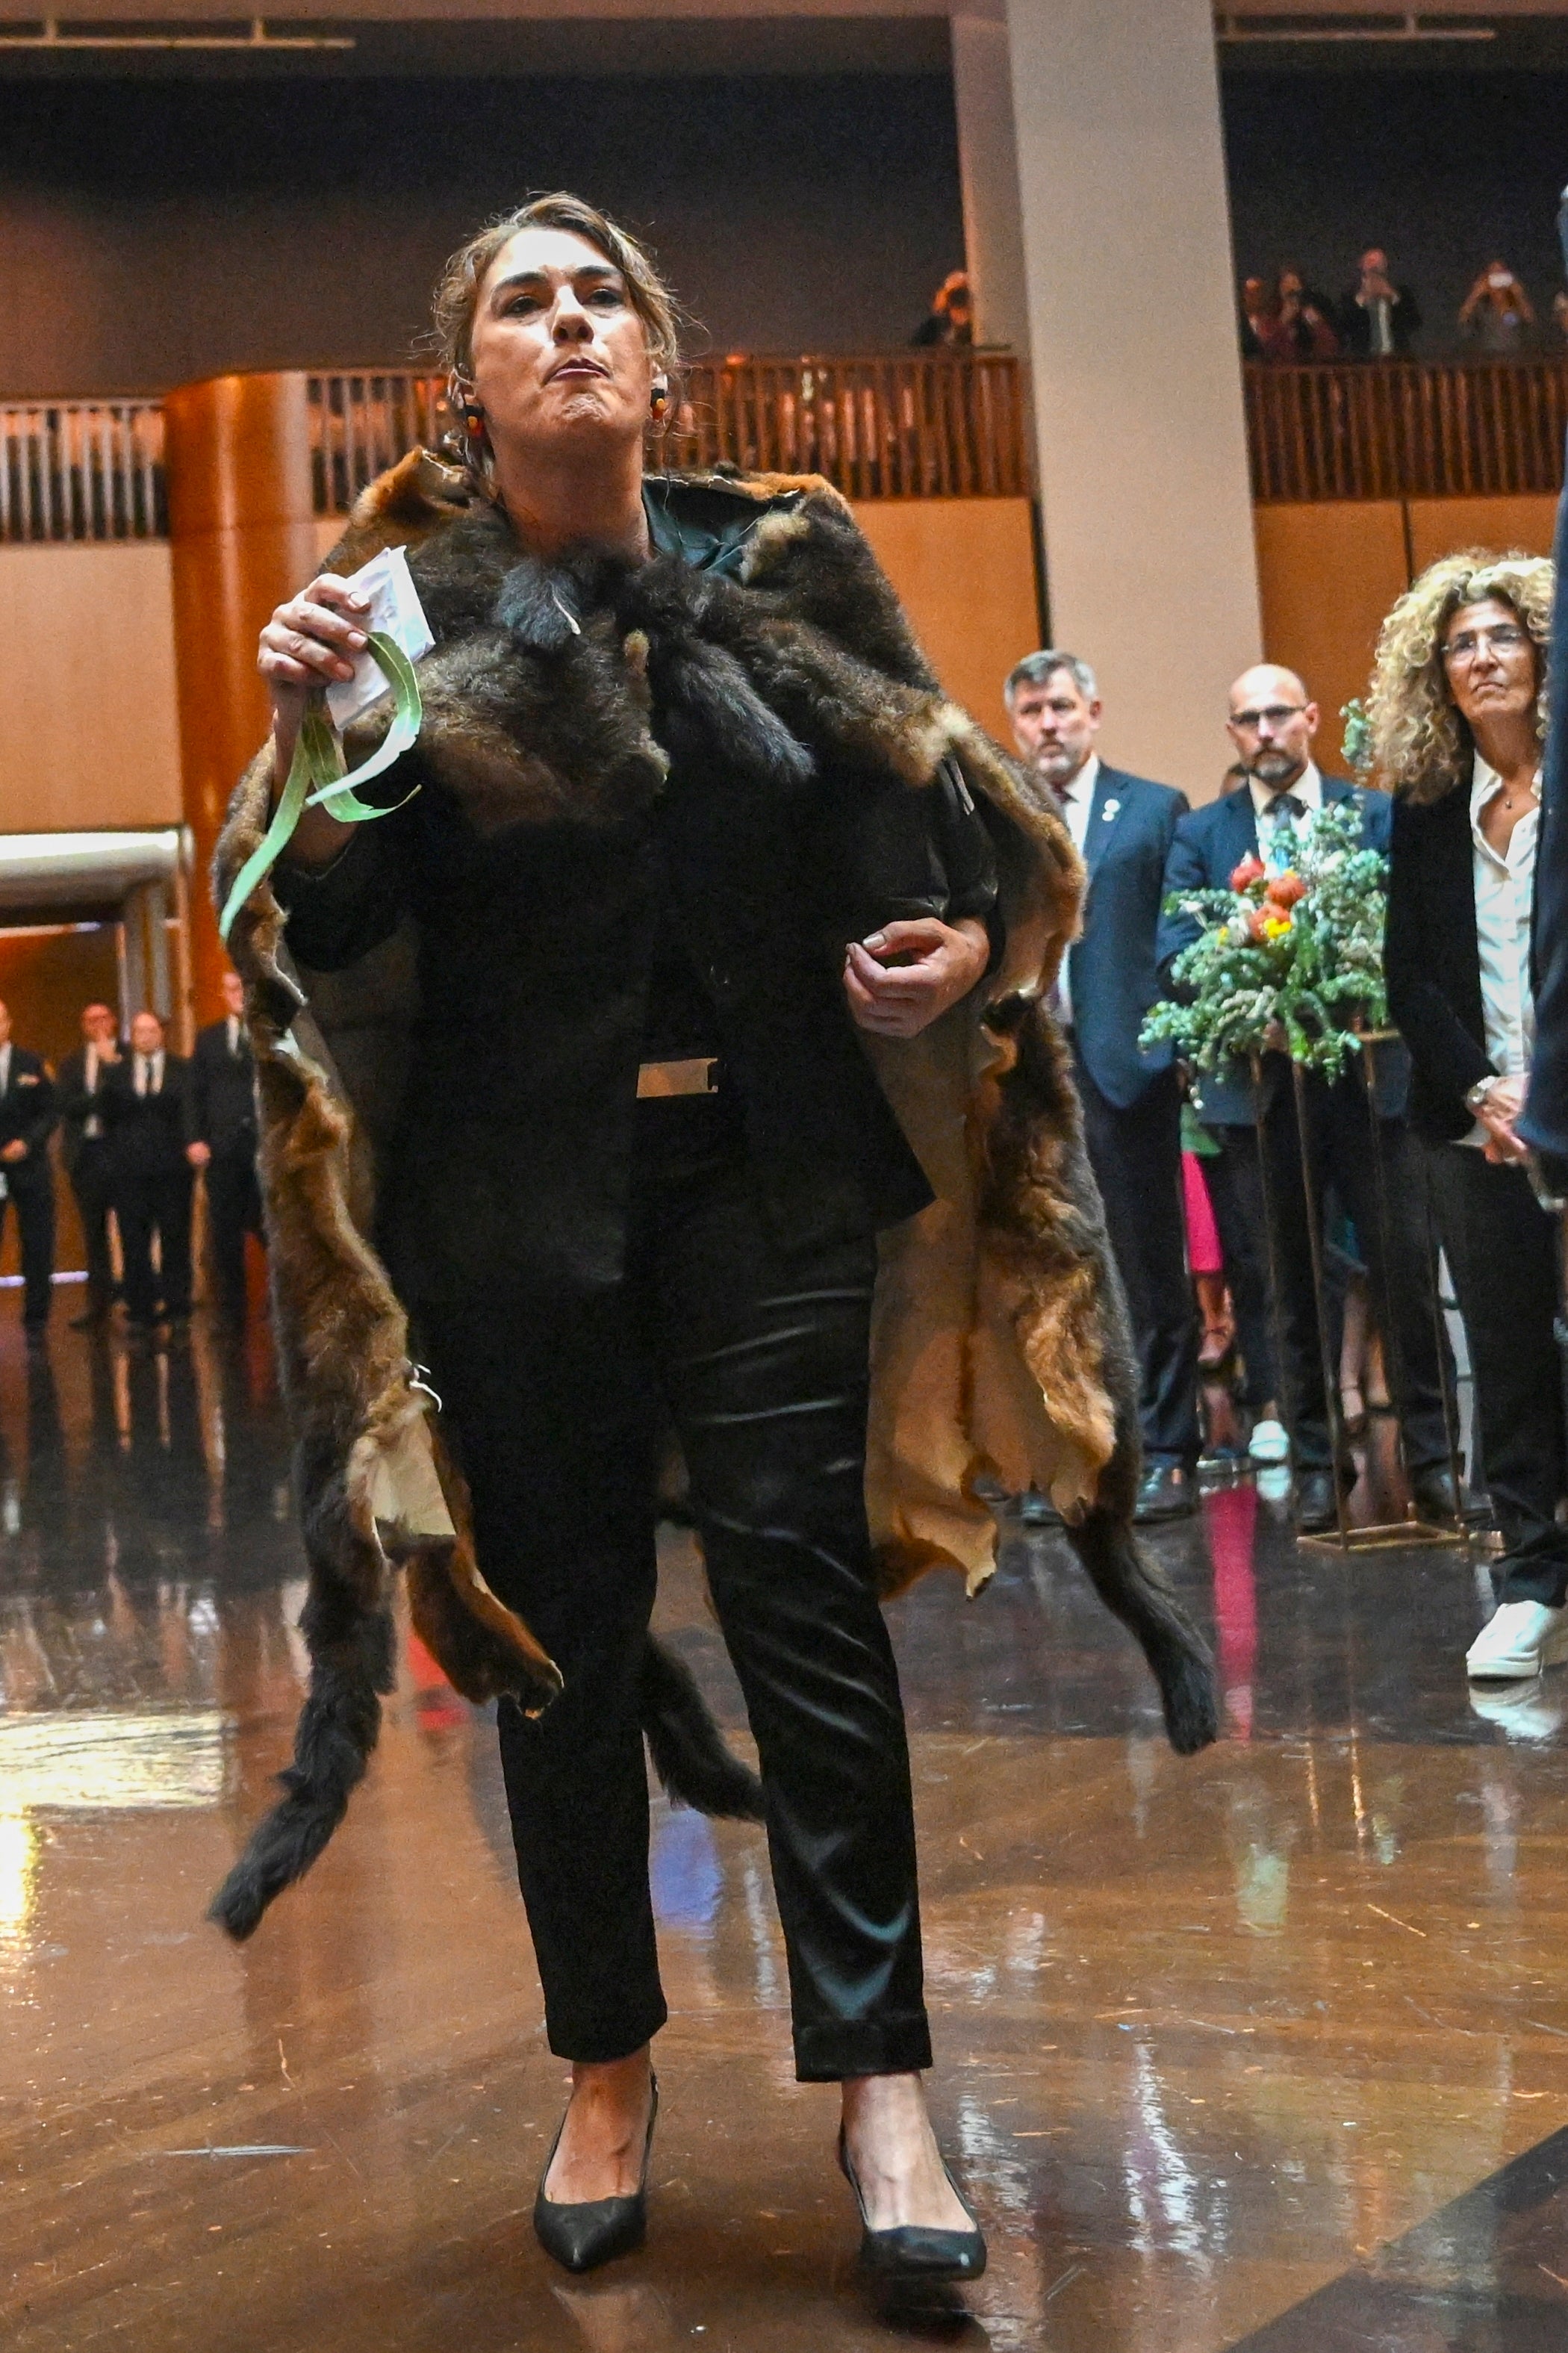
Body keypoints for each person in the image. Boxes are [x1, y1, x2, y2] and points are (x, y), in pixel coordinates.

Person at [210, 193, 1214, 2287]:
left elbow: (916, 829)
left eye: (600, 299)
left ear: (661, 362)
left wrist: (948, 951)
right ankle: (603, 2057)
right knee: (559, 1638)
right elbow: (335, 928)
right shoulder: (399, 602)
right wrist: (317, 741)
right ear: (465, 384)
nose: (565, 324)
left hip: (769, 1171)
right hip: (518, 1200)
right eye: (521, 304)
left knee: (803, 1615)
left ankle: (884, 2082)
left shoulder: (787, 561)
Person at [1157, 665, 1455, 1533]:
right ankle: (1319, 1462)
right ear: (1233, 736)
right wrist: (1247, 962)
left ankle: (1435, 1460)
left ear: (1312, 718)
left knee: (1403, 1266)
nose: (1265, 731)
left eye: (1279, 714)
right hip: (1261, 1090)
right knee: (1289, 1280)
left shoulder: (1375, 816)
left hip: (1373, 1081)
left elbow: (1418, 929)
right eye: (1247, 719)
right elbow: (1175, 949)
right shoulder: (1203, 834)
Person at [1378, 551, 1568, 1679]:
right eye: (1461, 644)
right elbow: (1413, 977)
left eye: (1502, 635)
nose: (1483, 655)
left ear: (1543, 653)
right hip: (1472, 1121)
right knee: (1502, 1354)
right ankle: (1533, 1580)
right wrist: (1485, 1090)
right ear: (1438, 676)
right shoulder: (1429, 811)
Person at [1005, 650, 1200, 1519]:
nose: (1048, 723)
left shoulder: (1153, 809)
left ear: (1094, 711)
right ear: (1013, 725)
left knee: (1150, 1268)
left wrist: (1168, 1052)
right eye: (1032, 711)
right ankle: (1078, 1458)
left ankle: (1169, 1450)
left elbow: (1178, 945)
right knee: (1055, 1274)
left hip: (1126, 1073)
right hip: (1029, 1077)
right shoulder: (999, 814)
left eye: (1061, 707)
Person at [104, 1010, 194, 1336]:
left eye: (151, 1030)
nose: (146, 1037)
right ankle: (140, 1309)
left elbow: (190, 1115)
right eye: (139, 1031)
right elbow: (107, 1120)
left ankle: (177, 1306)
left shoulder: (182, 1070)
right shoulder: (116, 1074)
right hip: (130, 1173)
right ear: (132, 1036)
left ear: (161, 1033)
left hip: (173, 1172)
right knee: (134, 1240)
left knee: (175, 1239)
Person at [187, 969, 262, 1328]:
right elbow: (193, 1095)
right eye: (232, 989)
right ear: (223, 994)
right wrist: (195, 1139)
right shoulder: (208, 1040)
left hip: (265, 1153)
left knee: (273, 1236)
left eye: (244, 988)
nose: (238, 995)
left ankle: (287, 1313)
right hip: (223, 1153)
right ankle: (232, 1313)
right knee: (225, 1236)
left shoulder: (272, 1035)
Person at [56, 1001, 122, 1330]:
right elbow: (68, 1105)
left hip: (122, 1156)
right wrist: (100, 1098)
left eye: (102, 1018)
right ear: (83, 1025)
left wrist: (110, 1070)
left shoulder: (126, 1057)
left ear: (113, 1021)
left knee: (132, 1230)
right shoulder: (71, 1065)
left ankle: (139, 1301)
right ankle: (98, 1305)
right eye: (89, 1019)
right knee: (93, 1234)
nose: (97, 1024)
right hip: (86, 1158)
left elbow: (125, 1102)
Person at [0, 1001, 57, 1339]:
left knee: (37, 1242)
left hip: (29, 1166)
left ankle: (36, 1318)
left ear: (9, 1023)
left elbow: (50, 1112)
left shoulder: (31, 1063)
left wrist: (28, 1142)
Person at [1339, 247, 1421, 358]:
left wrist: (1392, 296)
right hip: (1364, 361)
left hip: (1398, 359)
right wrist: (1362, 299)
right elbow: (1344, 328)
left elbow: (1414, 323)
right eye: (1370, 261)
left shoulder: (1401, 293)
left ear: (1385, 265)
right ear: (1361, 265)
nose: (1375, 266)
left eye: (1379, 262)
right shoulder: (1350, 296)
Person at [1259, 267, 1340, 361]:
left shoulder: (1308, 314)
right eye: (1286, 284)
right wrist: (1282, 321)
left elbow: (1331, 348)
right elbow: (1265, 350)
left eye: (1294, 283)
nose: (1290, 288)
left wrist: (1318, 325)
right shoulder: (1269, 316)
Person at [1458, 261, 1536, 354]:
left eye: (1501, 274)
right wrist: (1475, 294)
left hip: (1515, 358)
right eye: (1494, 275)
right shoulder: (1482, 306)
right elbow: (1464, 324)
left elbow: (1530, 321)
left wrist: (1519, 295)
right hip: (1488, 358)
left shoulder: (1515, 304)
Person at [911, 270, 973, 349]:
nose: (959, 299)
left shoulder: (984, 332)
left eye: (963, 294)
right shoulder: (932, 332)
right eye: (955, 295)